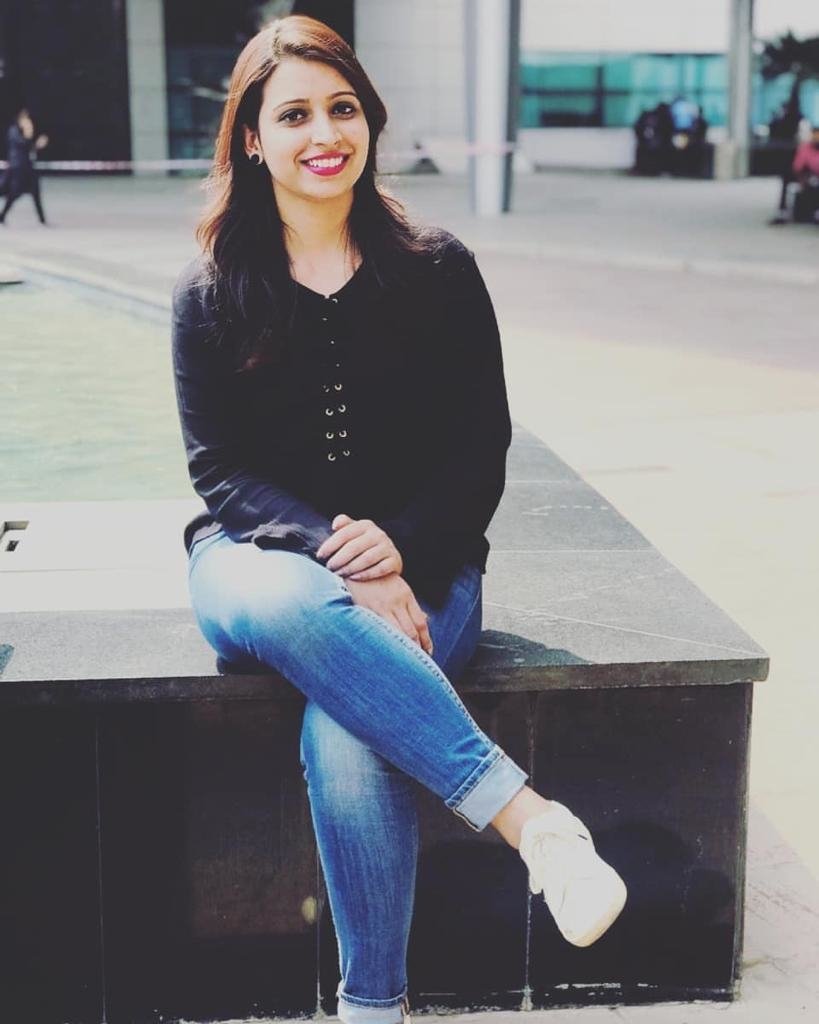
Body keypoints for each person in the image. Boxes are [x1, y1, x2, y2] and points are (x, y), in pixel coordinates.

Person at [172, 16, 627, 1023]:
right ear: (252, 138)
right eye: (293, 114)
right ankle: (531, 820)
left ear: (370, 122)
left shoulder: (436, 267)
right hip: (257, 563)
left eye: (342, 109)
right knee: (291, 597)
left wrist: (405, 549)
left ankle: (374, 1009)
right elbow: (219, 472)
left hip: (432, 567)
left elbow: (479, 447)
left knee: (347, 734)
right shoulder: (209, 292)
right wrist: (350, 558)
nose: (322, 133)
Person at [0, 107, 49, 225]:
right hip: (17, 168)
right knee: (12, 193)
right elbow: (22, 144)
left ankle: (42, 220)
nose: (27, 119)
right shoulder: (14, 131)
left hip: (28, 168)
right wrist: (35, 143)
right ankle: (2, 216)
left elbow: (29, 148)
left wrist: (36, 144)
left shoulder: (24, 131)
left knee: (35, 192)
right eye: (24, 117)